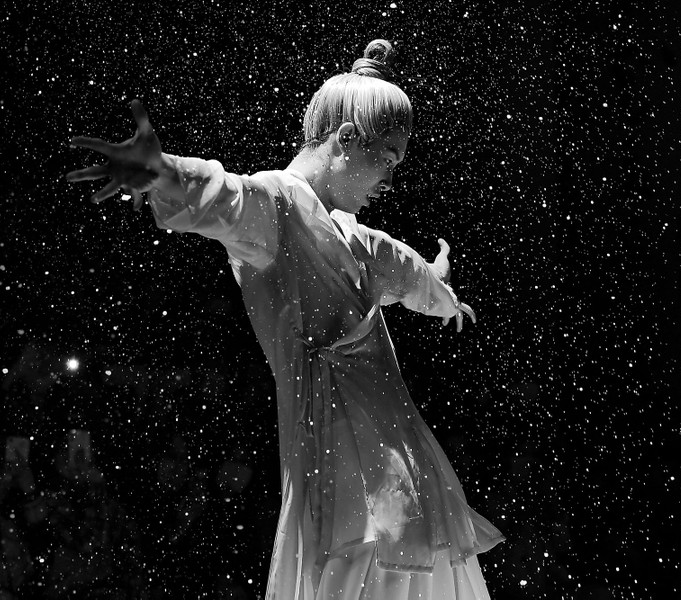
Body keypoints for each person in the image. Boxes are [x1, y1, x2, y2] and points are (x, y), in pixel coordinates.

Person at [66, 39, 504, 600]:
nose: (390, 182)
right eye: (387, 160)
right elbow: (225, 196)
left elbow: (408, 272)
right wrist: (162, 173)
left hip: (397, 458)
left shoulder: (356, 237)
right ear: (346, 140)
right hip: (339, 467)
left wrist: (442, 293)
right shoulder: (277, 206)